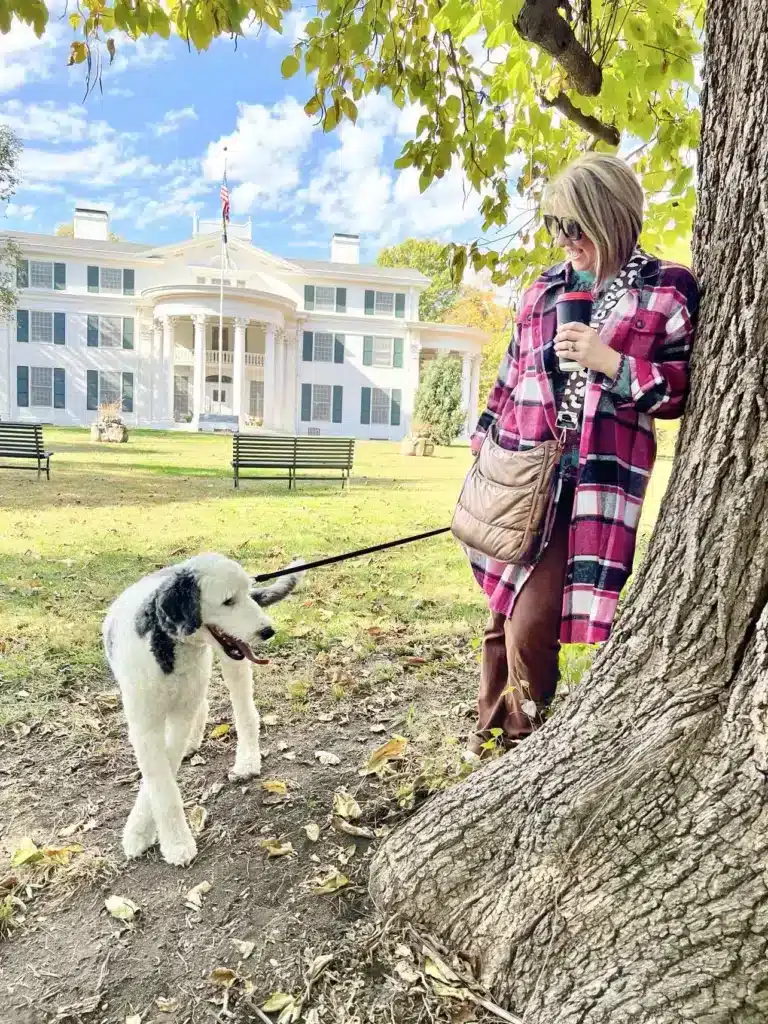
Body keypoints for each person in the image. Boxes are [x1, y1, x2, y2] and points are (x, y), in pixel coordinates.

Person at [465, 153, 699, 757]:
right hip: (521, 469)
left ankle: (526, 740)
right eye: (554, 226)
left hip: (595, 481)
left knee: (532, 618)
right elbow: (507, 377)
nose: (564, 240)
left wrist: (610, 363)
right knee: (502, 603)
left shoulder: (667, 289)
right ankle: (494, 733)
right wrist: (482, 448)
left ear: (614, 217)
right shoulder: (544, 288)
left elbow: (676, 391)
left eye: (576, 226)